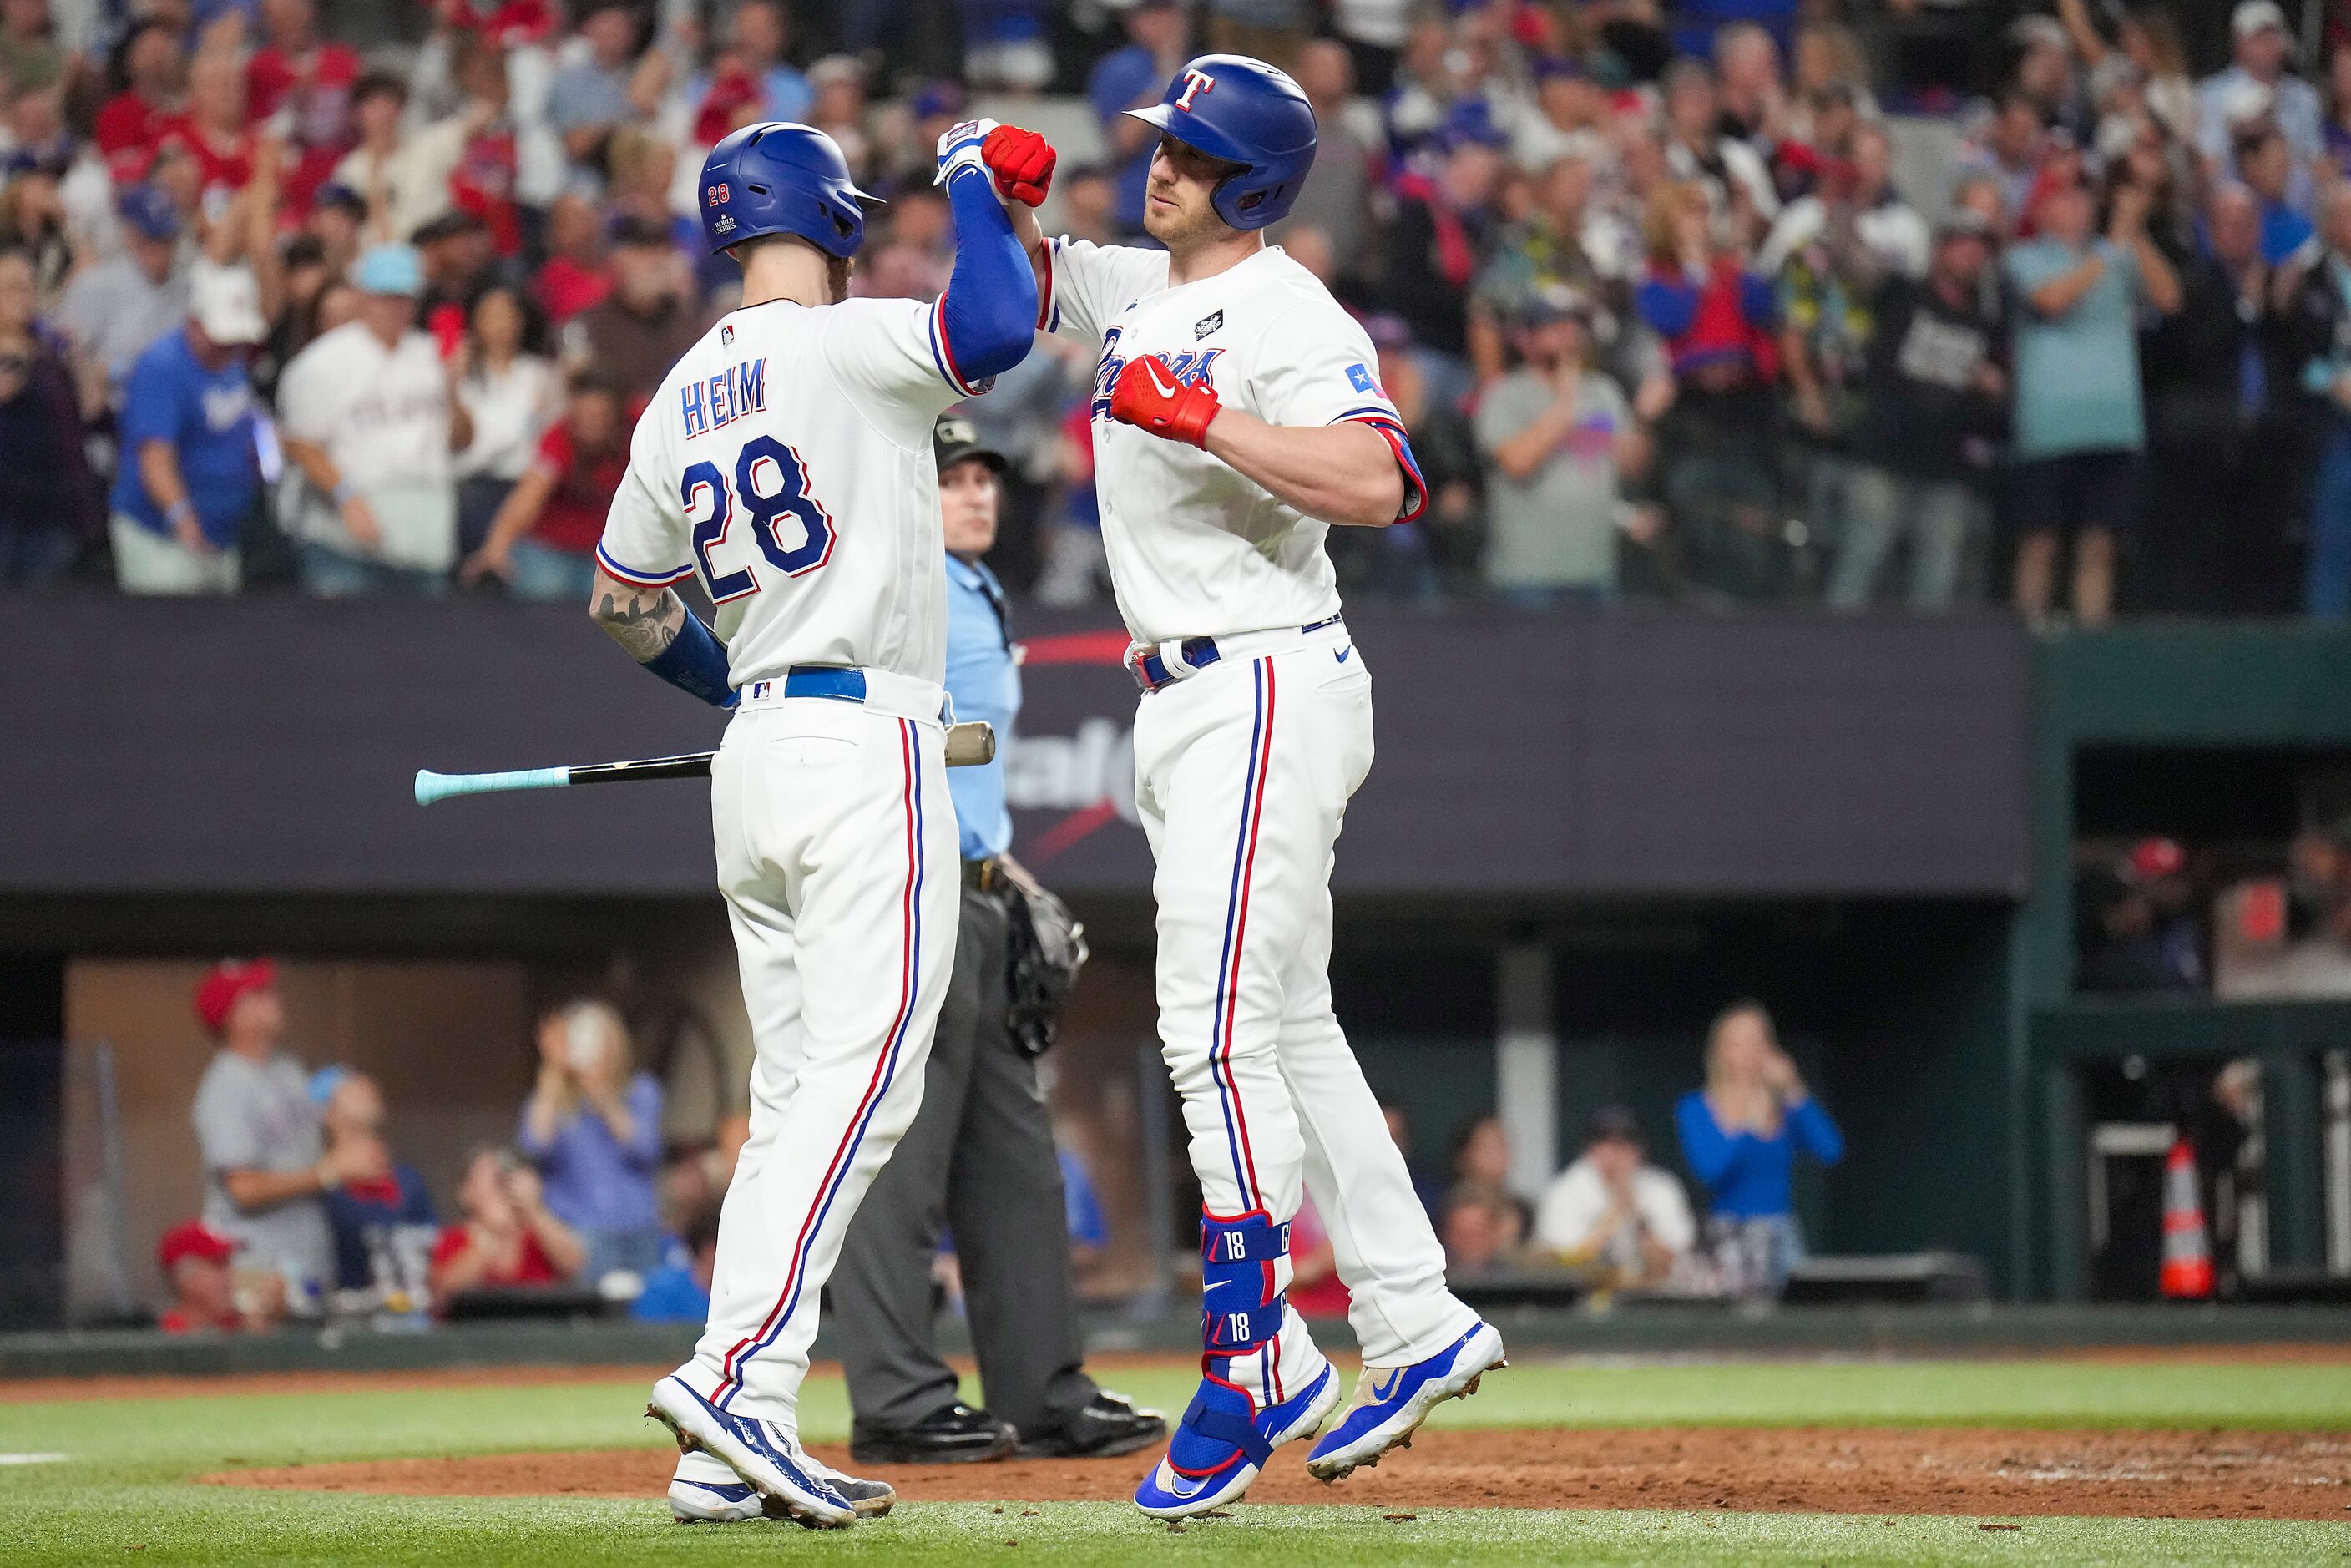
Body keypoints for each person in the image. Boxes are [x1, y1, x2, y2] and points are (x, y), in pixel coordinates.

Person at [988, 57, 1503, 1520]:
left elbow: (1386, 477)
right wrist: (984, 180)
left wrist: (1208, 420)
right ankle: (1410, 1314)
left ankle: (1252, 1355)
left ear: (1257, 182)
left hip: (1260, 674)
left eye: (1195, 155)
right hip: (1211, 687)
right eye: (1161, 143)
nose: (1161, 167)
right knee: (1280, 1017)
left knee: (1209, 1027)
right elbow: (1019, 287)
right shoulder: (1150, 284)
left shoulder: (1285, 310)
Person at [606, 119, 1037, 1530]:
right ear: (834, 214)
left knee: (795, 1099)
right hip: (865, 745)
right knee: (862, 1090)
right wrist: (973, 173)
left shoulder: (676, 391)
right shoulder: (848, 341)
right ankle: (733, 1380)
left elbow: (621, 597)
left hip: (759, 749)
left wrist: (731, 671)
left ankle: (729, 1430)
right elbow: (994, 321)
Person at [829, 413, 1166, 1474]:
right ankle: (897, 1399)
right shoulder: (890, 582)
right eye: (949, 478)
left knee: (1014, 1163)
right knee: (898, 1155)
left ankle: (1042, 1388)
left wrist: (1008, 876)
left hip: (974, 890)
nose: (974, 493)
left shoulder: (969, 584)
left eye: (981, 476)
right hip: (905, 886)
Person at [2003, 176, 2178, 626]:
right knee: (2040, 539)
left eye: (2083, 197)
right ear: (2042, 211)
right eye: (2065, 198)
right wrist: (2109, 249)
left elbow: (2169, 298)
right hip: (2050, 426)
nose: (2079, 206)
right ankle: (2028, 644)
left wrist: (2134, 233)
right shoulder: (2024, 258)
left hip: (2112, 423)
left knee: (2100, 543)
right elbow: (2052, 300)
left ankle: (2090, 644)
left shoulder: (2120, 255)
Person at [1833, 211, 2007, 610]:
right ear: (1940, 249)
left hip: (1946, 465)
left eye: (1980, 250)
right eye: (1963, 245)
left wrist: (1994, 387)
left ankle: (1926, 669)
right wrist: (1844, 209)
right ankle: (1830, 660)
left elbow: (2000, 402)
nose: (1971, 256)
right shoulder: (1902, 294)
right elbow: (1853, 264)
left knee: (1938, 578)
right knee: (1862, 558)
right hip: (1883, 453)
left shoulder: (1987, 322)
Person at [277, 243, 473, 595]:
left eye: (406, 297)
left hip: (423, 531)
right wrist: (347, 498)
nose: (398, 307)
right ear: (363, 296)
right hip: (347, 538)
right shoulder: (321, 362)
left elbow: (462, 441)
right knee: (345, 647)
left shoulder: (431, 354)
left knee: (422, 647)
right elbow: (300, 445)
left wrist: (453, 390)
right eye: (387, 296)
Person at [190, 959, 380, 1314]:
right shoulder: (225, 1087)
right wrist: (329, 1172)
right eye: (258, 994)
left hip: (309, 1260)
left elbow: (313, 1154)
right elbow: (243, 1189)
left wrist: (349, 1120)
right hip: (257, 1269)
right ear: (234, 1016)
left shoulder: (287, 1070)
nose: (273, 998)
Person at [1474, 284, 1644, 605]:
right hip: (1526, 576)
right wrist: (1566, 404)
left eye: (1574, 323)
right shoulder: (1505, 395)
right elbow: (1517, 463)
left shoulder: (1602, 392)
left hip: (1595, 570)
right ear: (1524, 339)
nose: (1568, 333)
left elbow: (1630, 466)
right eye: (1554, 324)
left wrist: (1645, 420)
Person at [108, 264, 266, 594]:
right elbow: (155, 456)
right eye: (222, 340)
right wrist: (183, 519)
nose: (230, 348)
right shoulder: (162, 367)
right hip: (164, 538)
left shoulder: (231, 359)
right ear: (194, 324)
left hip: (222, 532)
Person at [1674, 1000, 1843, 1300]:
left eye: (1759, 1042)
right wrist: (1749, 1123)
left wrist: (1793, 1090)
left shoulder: (1784, 1108)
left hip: (1781, 1236)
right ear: (1720, 1052)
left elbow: (1830, 1150)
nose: (1751, 1053)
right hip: (1727, 1237)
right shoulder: (1696, 1108)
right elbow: (1710, 1172)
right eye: (1739, 1044)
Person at [515, 998, 664, 1282]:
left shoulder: (641, 1091)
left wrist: (602, 1095)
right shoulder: (554, 1101)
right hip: (582, 1235)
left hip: (639, 1230)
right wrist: (553, 1069)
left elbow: (646, 1150)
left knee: (646, 1316)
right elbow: (534, 1144)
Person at [461, 372, 625, 599]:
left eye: (601, 416)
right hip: (551, 551)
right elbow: (527, 499)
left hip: (606, 556)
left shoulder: (638, 434)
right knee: (543, 583)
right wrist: (496, 549)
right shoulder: (558, 438)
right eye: (585, 416)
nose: (592, 424)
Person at [0, 243, 91, 583]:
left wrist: (80, 365)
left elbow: (89, 408)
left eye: (28, 287)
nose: (23, 297)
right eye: (11, 289)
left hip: (52, 505)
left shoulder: (52, 349)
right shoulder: (21, 355)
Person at [311, 1065, 437, 1308]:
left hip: (412, 1310)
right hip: (347, 1313)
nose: (364, 1086)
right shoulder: (317, 1182)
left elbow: (432, 1245)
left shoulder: (407, 1178)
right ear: (327, 1113)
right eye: (348, 1086)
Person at [1532, 1105, 1696, 1292]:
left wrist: (1638, 1219)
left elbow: (1675, 1260)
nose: (1620, 1153)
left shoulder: (1662, 1188)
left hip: (1651, 1298)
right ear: (1590, 1148)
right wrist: (1614, 1215)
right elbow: (1565, 1263)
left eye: (1628, 1143)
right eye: (1610, 1144)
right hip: (1580, 1301)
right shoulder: (1565, 1191)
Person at [54, 183, 188, 407]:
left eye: (167, 239)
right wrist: (109, 371)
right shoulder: (95, 285)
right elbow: (62, 355)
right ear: (131, 235)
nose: (161, 250)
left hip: (176, 409)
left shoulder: (187, 284)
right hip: (114, 409)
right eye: (151, 239)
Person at [428, 1146, 586, 1308]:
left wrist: (534, 1210)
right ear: (466, 1192)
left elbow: (573, 1265)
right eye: (494, 1180)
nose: (503, 1185)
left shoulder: (537, 1236)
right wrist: (494, 1235)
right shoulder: (453, 1238)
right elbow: (444, 1293)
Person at [155, 1220, 281, 1333]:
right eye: (218, 1265)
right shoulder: (163, 1335)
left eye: (228, 1264)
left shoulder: (240, 1326)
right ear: (184, 1275)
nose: (229, 1275)